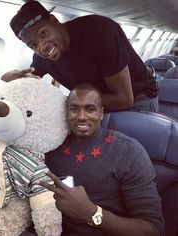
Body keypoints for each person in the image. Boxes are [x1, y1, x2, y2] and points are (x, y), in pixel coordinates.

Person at [38, 84, 164, 236]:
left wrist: (91, 213)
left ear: (101, 113)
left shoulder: (128, 151)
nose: (82, 116)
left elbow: (153, 229)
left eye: (90, 109)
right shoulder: (52, 147)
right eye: (74, 109)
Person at [2, 1, 158, 112]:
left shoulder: (99, 32)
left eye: (43, 33)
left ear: (54, 21)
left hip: (139, 99)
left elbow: (124, 100)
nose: (42, 47)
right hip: (94, 106)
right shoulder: (41, 59)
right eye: (33, 45)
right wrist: (8, 78)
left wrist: (70, 102)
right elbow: (26, 79)